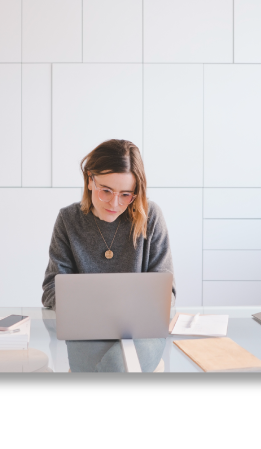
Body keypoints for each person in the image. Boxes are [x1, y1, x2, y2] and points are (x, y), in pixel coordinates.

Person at [41, 139, 176, 372]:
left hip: (142, 334)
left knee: (116, 365)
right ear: (89, 180)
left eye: (126, 194)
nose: (115, 203)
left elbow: (166, 293)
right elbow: (51, 290)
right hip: (86, 331)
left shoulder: (150, 216)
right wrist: (98, 310)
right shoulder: (69, 220)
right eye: (106, 191)